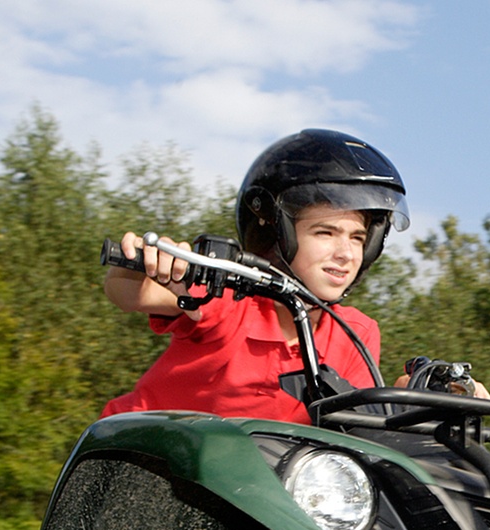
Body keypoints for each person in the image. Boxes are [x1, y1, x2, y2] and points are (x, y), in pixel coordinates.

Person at [101, 128, 408, 423]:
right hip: (139, 459)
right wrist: (155, 263)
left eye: (357, 238)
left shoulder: (355, 332)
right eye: (325, 232)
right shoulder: (228, 299)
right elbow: (128, 292)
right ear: (276, 234)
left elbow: (351, 431)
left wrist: (403, 405)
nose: (346, 253)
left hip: (250, 476)